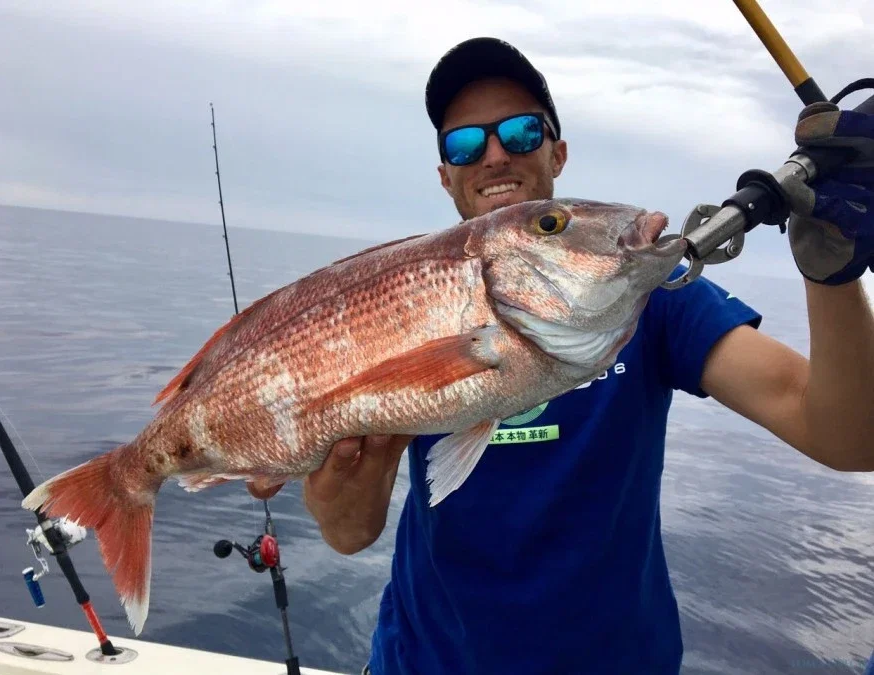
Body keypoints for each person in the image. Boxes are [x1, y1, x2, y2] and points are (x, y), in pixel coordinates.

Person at [297, 37, 874, 674]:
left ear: (558, 152)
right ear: (445, 175)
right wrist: (353, 471)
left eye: (521, 132)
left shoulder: (653, 293)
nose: (494, 155)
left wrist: (832, 273)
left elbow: (848, 438)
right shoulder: (402, 305)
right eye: (463, 144)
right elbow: (349, 535)